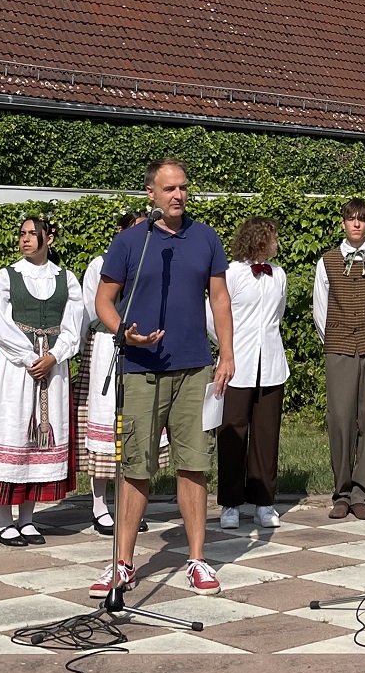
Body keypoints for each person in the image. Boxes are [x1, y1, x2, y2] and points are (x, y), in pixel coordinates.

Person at [88, 159, 236, 599]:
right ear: (150, 193)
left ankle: (197, 559)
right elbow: (103, 300)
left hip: (194, 368)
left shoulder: (206, 237)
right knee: (136, 466)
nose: (178, 196)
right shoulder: (131, 242)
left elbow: (220, 298)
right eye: (169, 189)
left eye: (183, 188)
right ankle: (123, 563)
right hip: (141, 369)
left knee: (195, 463)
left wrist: (227, 354)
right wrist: (123, 332)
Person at [0, 215, 85, 546]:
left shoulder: (67, 279)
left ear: (50, 238)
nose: (25, 239)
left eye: (33, 234)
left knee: (39, 442)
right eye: (22, 234)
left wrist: (54, 356)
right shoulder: (7, 277)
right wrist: (31, 357)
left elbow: (75, 325)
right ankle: (4, 521)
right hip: (14, 368)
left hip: (52, 367)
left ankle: (28, 519)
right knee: (13, 433)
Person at [312, 198, 365, 521]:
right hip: (339, 346)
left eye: (362, 219)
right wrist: (333, 339)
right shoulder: (327, 261)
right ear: (343, 223)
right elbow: (320, 308)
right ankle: (341, 492)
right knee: (340, 419)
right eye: (351, 219)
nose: (356, 224)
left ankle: (362, 494)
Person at [77, 208, 148, 535]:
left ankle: (129, 505)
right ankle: (99, 504)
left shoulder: (148, 264)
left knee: (134, 425)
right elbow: (92, 311)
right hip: (107, 346)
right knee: (106, 422)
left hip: (142, 348)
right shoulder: (100, 264)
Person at [215, 217, 289, 531]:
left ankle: (264, 502)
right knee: (232, 432)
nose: (277, 243)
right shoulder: (231, 274)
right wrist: (227, 349)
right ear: (260, 239)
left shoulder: (279, 275)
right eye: (273, 237)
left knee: (266, 434)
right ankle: (231, 503)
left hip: (271, 364)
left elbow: (279, 313)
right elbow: (213, 315)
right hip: (237, 365)